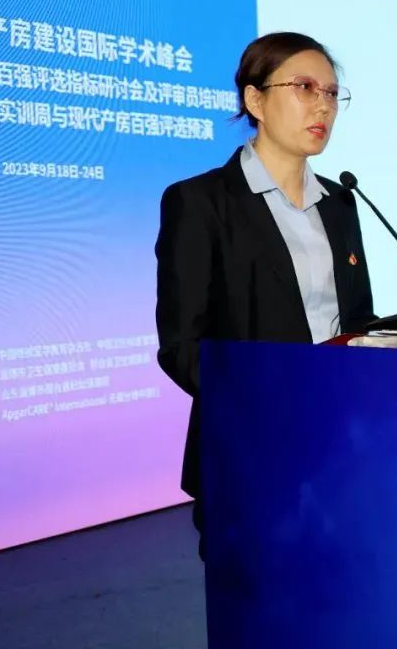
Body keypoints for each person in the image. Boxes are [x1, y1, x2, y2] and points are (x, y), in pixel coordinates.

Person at [154, 32, 375, 558]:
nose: (323, 105)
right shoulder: (200, 202)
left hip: (344, 444)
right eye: (304, 87)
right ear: (255, 100)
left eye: (332, 93)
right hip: (251, 453)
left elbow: (358, 321)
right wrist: (271, 405)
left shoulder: (340, 203)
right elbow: (182, 346)